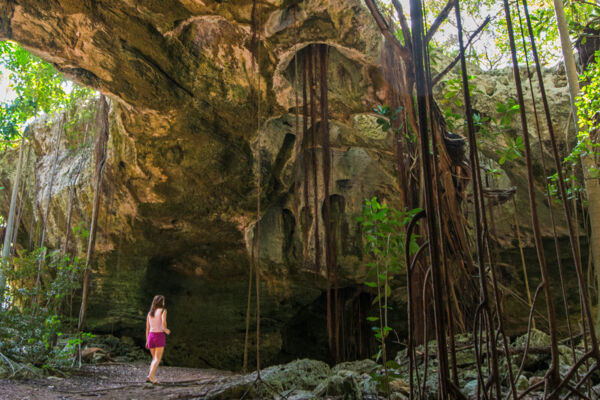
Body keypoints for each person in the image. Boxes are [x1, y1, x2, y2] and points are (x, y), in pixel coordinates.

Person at [145, 295, 171, 383]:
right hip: (159, 336)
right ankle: (150, 376)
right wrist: (166, 330)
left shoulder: (150, 313)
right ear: (161, 302)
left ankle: (152, 377)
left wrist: (146, 341)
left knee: (154, 359)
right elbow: (163, 322)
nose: (164, 302)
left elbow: (147, 329)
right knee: (157, 359)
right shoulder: (163, 311)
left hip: (151, 337)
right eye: (163, 301)